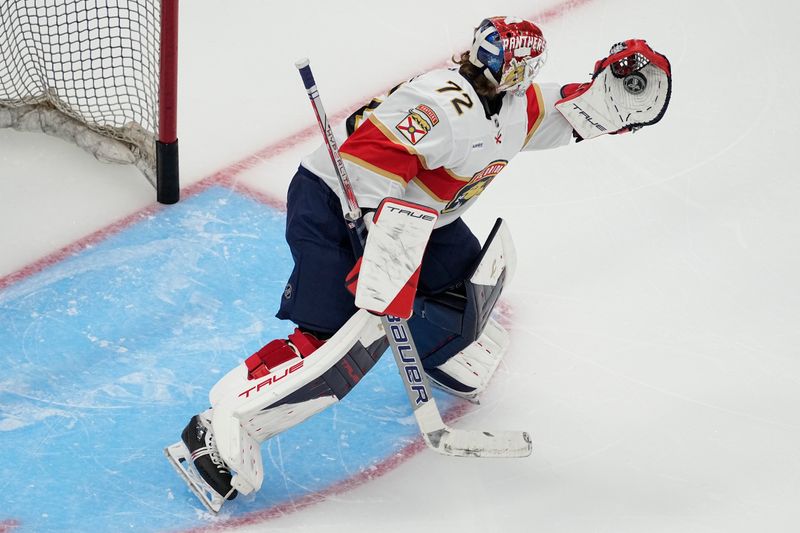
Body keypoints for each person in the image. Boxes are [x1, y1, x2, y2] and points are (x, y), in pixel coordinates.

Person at [165, 16, 672, 513]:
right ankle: (221, 424)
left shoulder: (515, 107)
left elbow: (572, 111)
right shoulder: (438, 105)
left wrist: (618, 94)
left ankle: (438, 350)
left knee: (460, 283)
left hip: (416, 217)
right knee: (335, 335)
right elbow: (367, 167)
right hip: (334, 209)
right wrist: (380, 253)